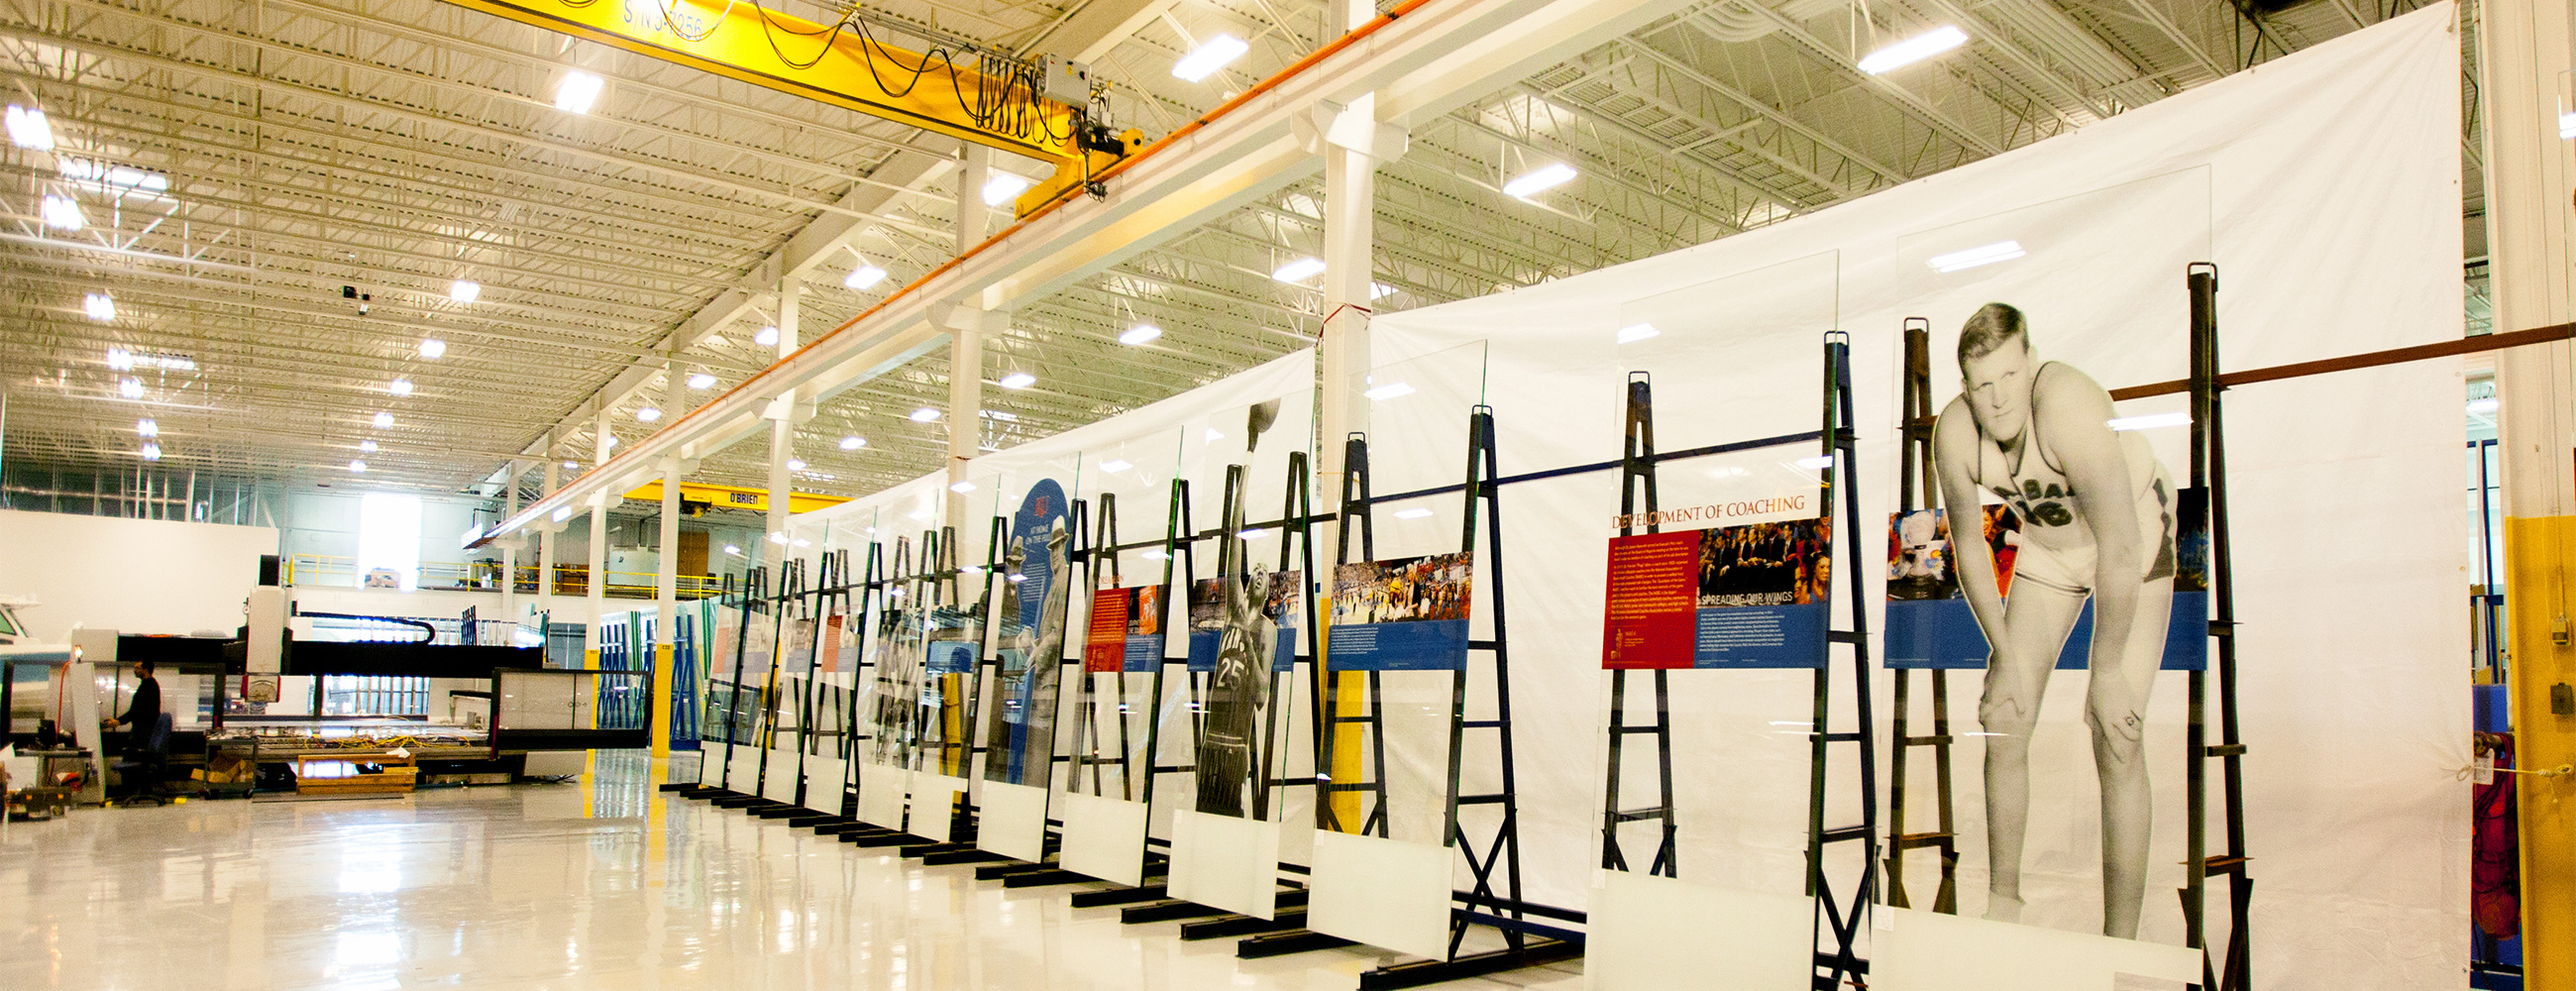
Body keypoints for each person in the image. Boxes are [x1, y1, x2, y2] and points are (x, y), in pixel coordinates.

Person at [1932, 302, 2177, 939]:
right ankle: (2005, 904)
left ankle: (2118, 941)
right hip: (2052, 547)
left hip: (2135, 540)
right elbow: (1970, 551)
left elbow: (2121, 549)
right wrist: (2006, 656)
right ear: (1965, 387)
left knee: (2115, 730)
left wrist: (2106, 673)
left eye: (2010, 377)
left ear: (2031, 362)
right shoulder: (1954, 430)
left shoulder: (2069, 403)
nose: (1998, 398)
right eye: (1982, 386)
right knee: (2003, 712)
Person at [104, 659, 161, 736]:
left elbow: (136, 710)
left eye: (137, 668)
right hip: (145, 730)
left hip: (143, 732)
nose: (135, 670)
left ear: (146, 669)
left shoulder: (148, 686)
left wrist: (118, 721)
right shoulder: (150, 684)